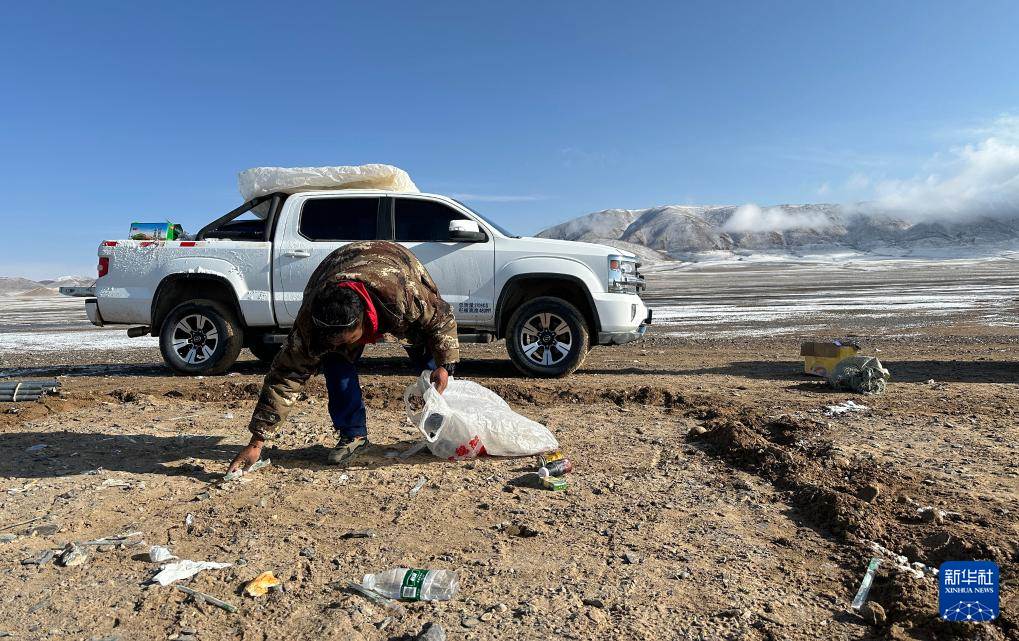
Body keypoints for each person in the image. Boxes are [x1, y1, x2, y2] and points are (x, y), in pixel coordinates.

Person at [227, 240, 459, 472]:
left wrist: (445, 365)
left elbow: (441, 321)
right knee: (335, 362)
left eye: (348, 339)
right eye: (334, 340)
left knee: (432, 366)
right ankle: (354, 436)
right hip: (333, 269)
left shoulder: (403, 296)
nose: (345, 345)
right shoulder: (311, 324)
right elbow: (284, 378)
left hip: (398, 266)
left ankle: (448, 429)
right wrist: (256, 442)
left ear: (363, 321)